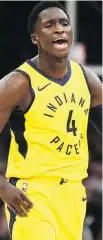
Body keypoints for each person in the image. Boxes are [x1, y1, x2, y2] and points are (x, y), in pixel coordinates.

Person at [0, 1, 102, 240]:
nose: (59, 29)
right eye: (49, 25)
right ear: (35, 38)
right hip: (32, 195)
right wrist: (3, 187)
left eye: (64, 23)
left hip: (74, 194)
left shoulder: (87, 79)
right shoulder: (18, 83)